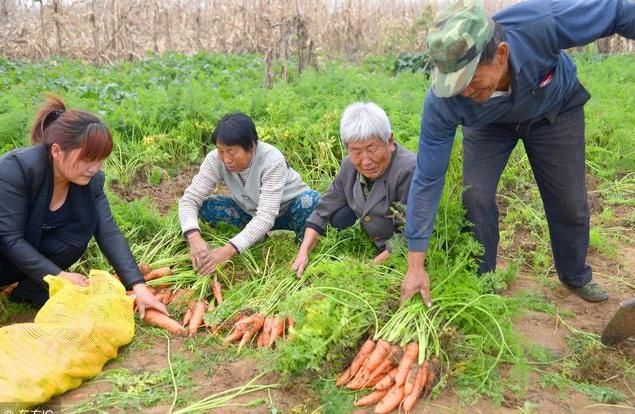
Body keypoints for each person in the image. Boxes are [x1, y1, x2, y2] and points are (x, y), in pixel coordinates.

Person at [402, 0, 635, 306]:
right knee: (475, 195)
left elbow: (617, 11)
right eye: (455, 85)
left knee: (569, 203)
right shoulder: (444, 103)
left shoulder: (539, 24)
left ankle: (575, 275)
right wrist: (415, 266)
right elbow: (428, 177)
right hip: (489, 126)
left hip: (555, 110)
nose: (464, 92)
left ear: (500, 54)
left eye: (471, 80)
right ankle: (483, 282)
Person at [0, 96, 166, 316]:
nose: (94, 168)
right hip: (5, 250)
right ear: (57, 151)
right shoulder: (16, 170)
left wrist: (138, 286)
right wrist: (59, 276)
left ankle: (30, 291)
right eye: (88, 159)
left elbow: (108, 232)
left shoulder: (90, 181)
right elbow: (10, 239)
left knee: (79, 233)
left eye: (100, 160)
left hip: (20, 258)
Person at [179, 112, 320, 274]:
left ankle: (301, 249)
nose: (226, 159)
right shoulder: (215, 160)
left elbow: (266, 216)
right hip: (250, 212)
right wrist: (193, 238)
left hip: (289, 212)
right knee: (206, 206)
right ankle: (257, 238)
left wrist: (228, 251)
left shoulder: (272, 161)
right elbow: (189, 199)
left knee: (310, 200)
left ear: (251, 146)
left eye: (232, 152)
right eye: (221, 151)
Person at [292, 102, 416, 276]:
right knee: (339, 215)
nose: (365, 161)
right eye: (356, 152)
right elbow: (323, 211)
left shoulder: (408, 170)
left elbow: (410, 232)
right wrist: (303, 252)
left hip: (399, 244)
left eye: (372, 149)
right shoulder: (349, 166)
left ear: (390, 140)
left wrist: (368, 269)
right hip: (375, 235)